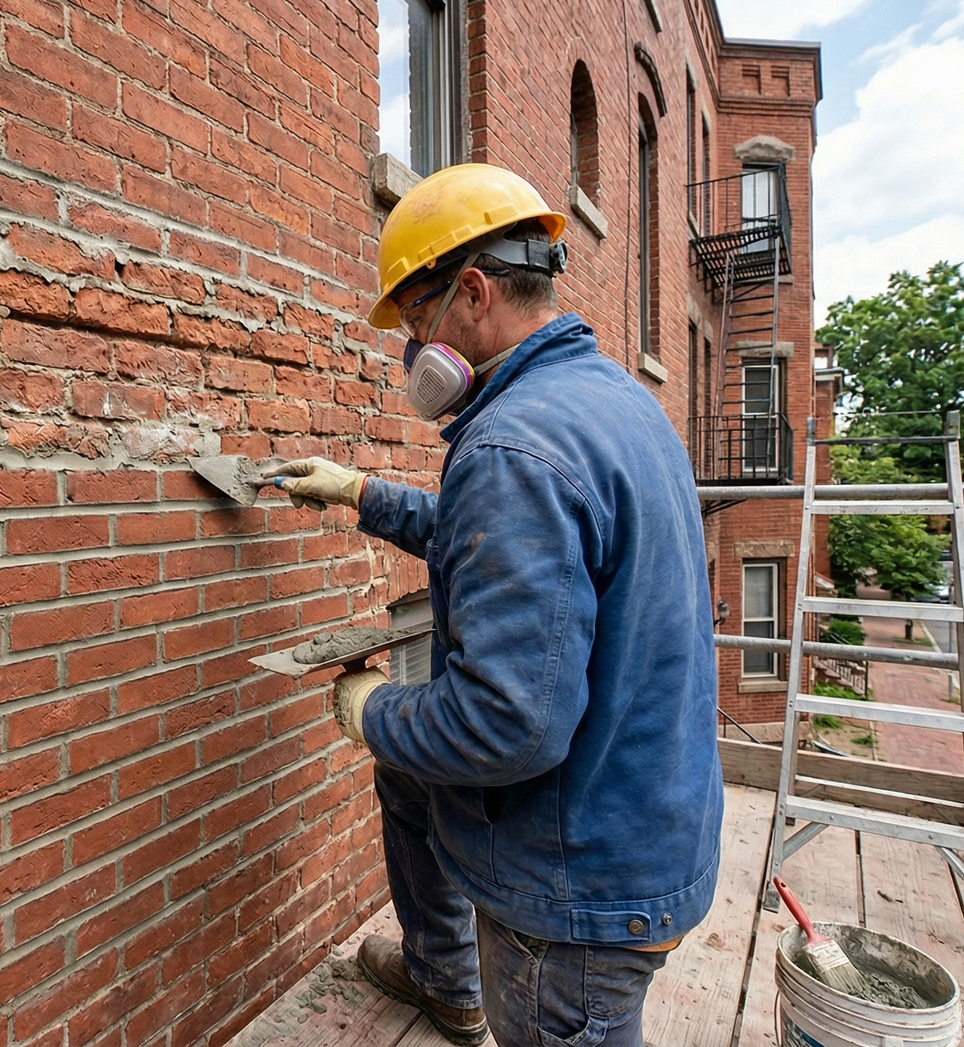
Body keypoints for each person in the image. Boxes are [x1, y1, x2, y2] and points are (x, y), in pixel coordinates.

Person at [268, 164, 722, 1047]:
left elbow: (506, 727)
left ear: (472, 292)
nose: (409, 352)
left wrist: (373, 708)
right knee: (408, 772)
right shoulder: (610, 400)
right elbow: (511, 547)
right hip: (644, 816)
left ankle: (472, 978)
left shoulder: (513, 445)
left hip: (574, 897)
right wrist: (362, 492)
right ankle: (445, 976)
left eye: (413, 322)